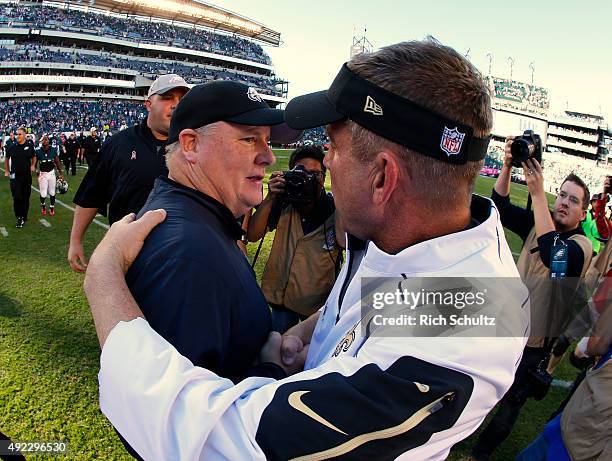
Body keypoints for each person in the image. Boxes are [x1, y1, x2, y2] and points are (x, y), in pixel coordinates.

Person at [85, 39, 530, 460]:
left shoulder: (460, 341)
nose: (323, 163)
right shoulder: (416, 231)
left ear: (382, 178)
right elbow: (391, 294)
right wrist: (311, 334)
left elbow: (222, 441)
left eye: (333, 147)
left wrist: (103, 275)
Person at [470, 144, 593, 461]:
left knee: (509, 405)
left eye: (573, 200)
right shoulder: (541, 224)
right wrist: (509, 166)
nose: (564, 202)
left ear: (583, 213)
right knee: (475, 387)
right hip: (503, 326)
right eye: (562, 195)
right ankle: (456, 436)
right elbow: (498, 205)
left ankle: (480, 455)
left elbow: (556, 257)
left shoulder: (581, 246)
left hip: (533, 343)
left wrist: (540, 195)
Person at [68, 74, 190, 273]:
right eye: (168, 98)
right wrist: (75, 240)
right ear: (148, 104)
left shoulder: (196, 146)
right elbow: (91, 194)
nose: (176, 105)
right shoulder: (118, 144)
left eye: (182, 100)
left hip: (182, 255)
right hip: (129, 256)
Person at [247, 145, 343, 333]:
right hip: (281, 299)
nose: (307, 180)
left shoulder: (335, 210)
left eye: (315, 174)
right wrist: (270, 198)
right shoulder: (283, 203)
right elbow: (252, 235)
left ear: (323, 178)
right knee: (277, 346)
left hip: (317, 304)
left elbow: (348, 243)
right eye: (301, 173)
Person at [4, 127, 35, 228]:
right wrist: (7, 170)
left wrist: (33, 165)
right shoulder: (12, 147)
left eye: (20, 134)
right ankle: (19, 217)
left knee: (26, 197)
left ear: (25, 135)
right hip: (15, 177)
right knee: (17, 197)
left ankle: (24, 215)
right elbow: (7, 157)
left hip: (26, 176)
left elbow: (34, 156)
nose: (18, 136)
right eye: (17, 134)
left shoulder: (30, 146)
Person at [34, 134, 64, 217]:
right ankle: (43, 205)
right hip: (43, 174)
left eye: (46, 139)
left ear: (49, 141)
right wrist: (36, 170)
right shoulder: (38, 151)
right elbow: (34, 163)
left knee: (52, 192)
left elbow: (57, 162)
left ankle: (51, 207)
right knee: (43, 193)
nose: (44, 140)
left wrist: (61, 173)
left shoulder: (53, 150)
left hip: (51, 173)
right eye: (43, 139)